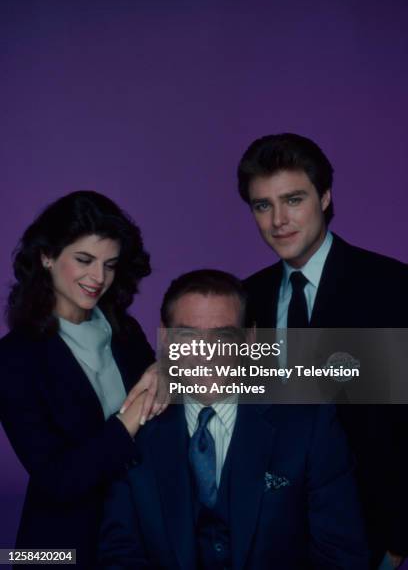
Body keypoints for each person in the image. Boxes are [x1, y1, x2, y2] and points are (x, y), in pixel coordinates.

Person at [98, 269, 370, 570]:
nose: (206, 354)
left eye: (223, 336)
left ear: (250, 339)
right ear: (165, 338)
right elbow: (119, 556)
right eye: (188, 336)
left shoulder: (309, 424)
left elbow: (341, 556)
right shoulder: (136, 429)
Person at [237, 133, 408, 569]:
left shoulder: (392, 287)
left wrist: (400, 539)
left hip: (372, 533)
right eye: (263, 205)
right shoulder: (245, 299)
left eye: (293, 199)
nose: (279, 220)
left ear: (325, 197)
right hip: (268, 536)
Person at [0, 191, 167, 568]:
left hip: (134, 536)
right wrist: (131, 417)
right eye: (84, 260)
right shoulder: (13, 359)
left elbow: (163, 411)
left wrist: (164, 370)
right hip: (57, 547)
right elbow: (59, 479)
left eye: (110, 265)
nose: (99, 278)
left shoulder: (124, 330)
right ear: (46, 257)